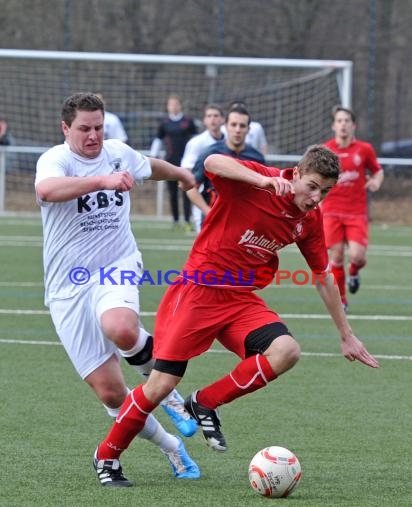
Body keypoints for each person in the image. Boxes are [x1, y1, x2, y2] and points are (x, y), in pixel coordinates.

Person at [93, 145, 379, 487]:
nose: (317, 197)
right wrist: (262, 179)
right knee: (160, 385)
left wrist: (346, 334)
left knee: (286, 351)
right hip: (198, 291)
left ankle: (204, 402)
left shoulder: (309, 220)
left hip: (239, 300)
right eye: (313, 186)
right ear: (297, 174)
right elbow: (212, 162)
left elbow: (322, 276)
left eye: (326, 191)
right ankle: (107, 455)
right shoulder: (258, 183)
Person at [35, 92, 200, 486]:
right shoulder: (55, 160)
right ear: (65, 129)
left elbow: (147, 167)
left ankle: (169, 394)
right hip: (67, 286)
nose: (93, 136)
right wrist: (101, 180)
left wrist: (179, 173)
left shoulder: (118, 152)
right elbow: (46, 191)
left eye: (98, 127)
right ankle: (172, 447)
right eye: (84, 129)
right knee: (111, 394)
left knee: (122, 327)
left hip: (117, 264)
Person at [321, 106, 384, 311]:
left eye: (347, 120)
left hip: (356, 212)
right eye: (339, 121)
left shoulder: (364, 149)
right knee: (337, 256)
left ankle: (354, 272)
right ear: (333, 125)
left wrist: (375, 181)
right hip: (331, 211)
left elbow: (377, 171)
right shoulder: (326, 150)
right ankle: (342, 299)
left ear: (353, 125)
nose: (343, 125)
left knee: (357, 256)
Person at [186, 105, 265, 228]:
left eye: (242, 126)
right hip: (214, 221)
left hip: (244, 222)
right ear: (226, 127)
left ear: (248, 129)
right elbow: (191, 187)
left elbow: (263, 193)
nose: (237, 130)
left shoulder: (257, 157)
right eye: (233, 125)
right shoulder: (211, 153)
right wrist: (208, 211)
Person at [150, 94, 198, 230]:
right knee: (173, 193)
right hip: (170, 163)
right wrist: (153, 156)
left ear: (180, 105)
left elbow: (196, 140)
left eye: (175, 104)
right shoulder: (165, 123)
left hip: (187, 164)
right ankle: (176, 221)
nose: (173, 107)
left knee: (187, 191)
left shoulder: (188, 121)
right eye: (170, 104)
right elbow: (158, 140)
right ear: (168, 106)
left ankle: (188, 221)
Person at [180, 104, 225, 233]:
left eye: (216, 116)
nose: (213, 119)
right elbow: (186, 172)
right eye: (209, 116)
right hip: (205, 199)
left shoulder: (229, 140)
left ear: (222, 119)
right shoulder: (196, 143)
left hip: (227, 200)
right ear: (204, 120)